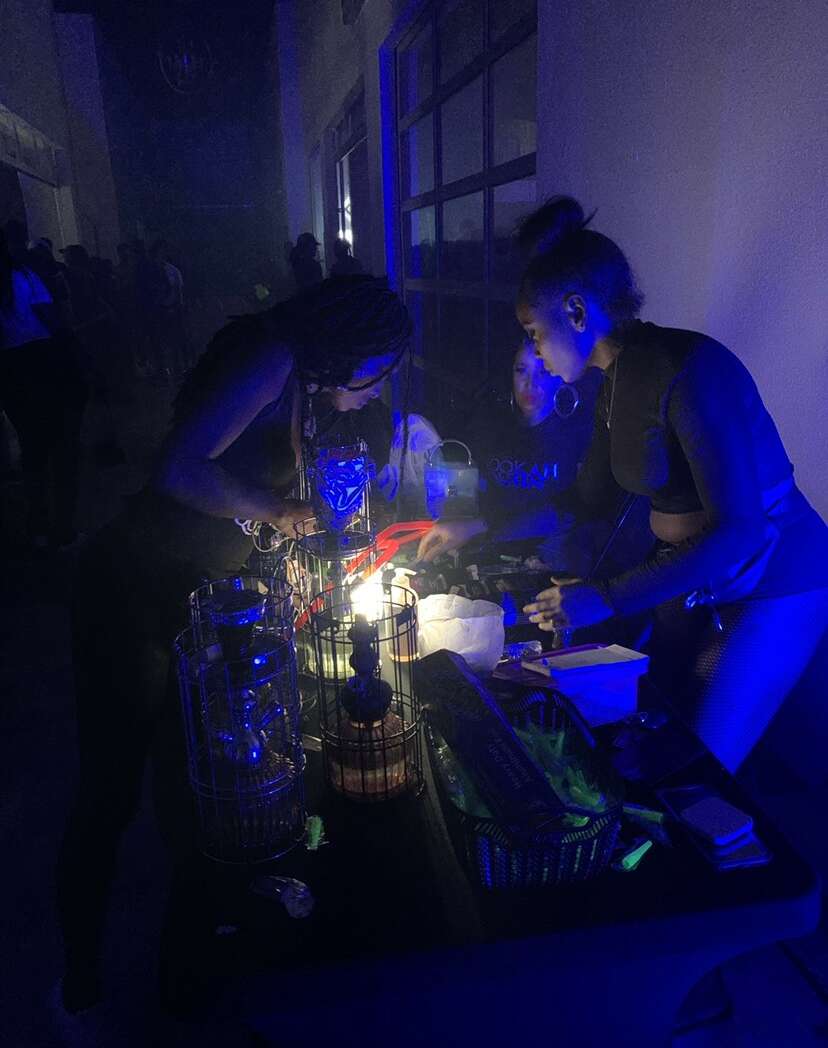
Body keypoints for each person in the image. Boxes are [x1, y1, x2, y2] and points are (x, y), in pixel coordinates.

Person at [56, 275, 411, 1015]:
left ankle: (184, 972)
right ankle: (78, 985)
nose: (377, 391)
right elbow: (179, 468)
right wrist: (274, 508)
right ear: (348, 348)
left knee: (189, 781)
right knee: (110, 790)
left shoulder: (300, 381)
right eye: (377, 374)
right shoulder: (271, 355)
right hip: (133, 590)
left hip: (190, 598)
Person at [517, 197, 828, 772]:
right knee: (647, 738)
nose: (535, 352)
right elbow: (587, 499)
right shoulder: (615, 380)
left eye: (535, 334)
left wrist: (606, 596)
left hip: (777, 581)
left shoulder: (689, 367)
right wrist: (479, 525)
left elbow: (740, 530)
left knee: (701, 766)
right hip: (704, 585)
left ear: (576, 311)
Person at [0, 228, 86, 548]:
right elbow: (49, 316)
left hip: (8, 367)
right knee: (63, 447)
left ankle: (36, 525)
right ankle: (63, 529)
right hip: (42, 360)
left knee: (31, 447)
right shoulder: (23, 276)